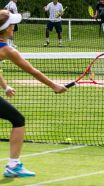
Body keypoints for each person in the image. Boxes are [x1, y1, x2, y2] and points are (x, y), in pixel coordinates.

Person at [0, 9, 67, 177]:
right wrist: (54, 86)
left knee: (16, 119)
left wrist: (5, 87)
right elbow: (33, 71)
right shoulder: (7, 50)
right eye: (12, 25)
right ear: (6, 29)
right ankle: (13, 166)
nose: (14, 28)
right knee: (18, 120)